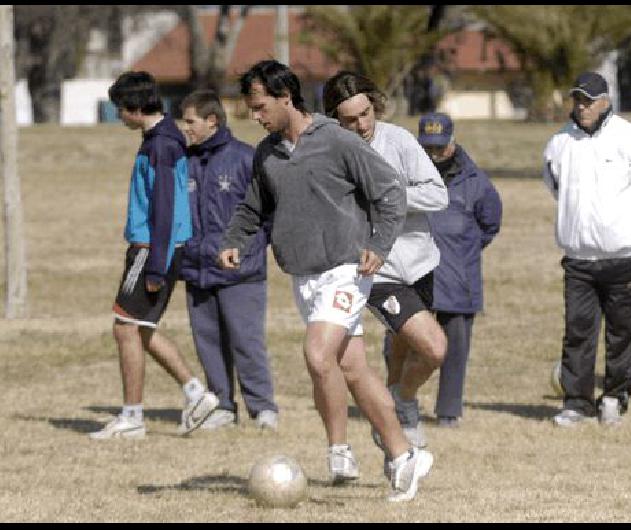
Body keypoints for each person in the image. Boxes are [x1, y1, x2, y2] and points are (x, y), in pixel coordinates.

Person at [218, 60, 433, 502]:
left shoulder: (336, 140)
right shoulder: (268, 153)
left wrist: (380, 243)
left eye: (260, 107)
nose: (256, 117)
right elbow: (253, 208)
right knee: (350, 366)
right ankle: (403, 452)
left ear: (285, 97)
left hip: (346, 268)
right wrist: (236, 239)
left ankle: (340, 449)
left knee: (318, 354)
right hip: (305, 275)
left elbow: (390, 191)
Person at [322, 71, 449, 451]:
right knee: (435, 348)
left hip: (421, 262)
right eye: (349, 119)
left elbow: (438, 195)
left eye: (365, 113)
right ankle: (405, 403)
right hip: (378, 269)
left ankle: (393, 416)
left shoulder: (399, 140)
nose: (361, 125)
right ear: (335, 119)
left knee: (404, 350)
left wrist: (391, 197)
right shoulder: (331, 153)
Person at [90, 71, 219, 440]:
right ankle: (196, 394)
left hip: (152, 252)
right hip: (154, 250)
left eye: (120, 110)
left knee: (125, 328)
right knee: (139, 329)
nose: (118, 116)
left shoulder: (161, 145)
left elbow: (164, 208)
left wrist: (156, 268)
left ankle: (132, 418)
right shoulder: (159, 139)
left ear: (135, 108)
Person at [542, 71, 631, 427]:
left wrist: (627, 224)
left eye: (589, 100)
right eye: (577, 100)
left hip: (624, 257)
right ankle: (576, 403)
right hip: (579, 260)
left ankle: (615, 397)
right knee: (578, 331)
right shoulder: (559, 144)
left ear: (606, 101)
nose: (582, 107)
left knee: (624, 332)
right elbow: (556, 187)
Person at [179, 89, 279, 431]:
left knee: (245, 341)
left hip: (241, 273)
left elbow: (267, 213)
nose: (185, 127)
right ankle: (222, 404)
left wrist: (250, 251)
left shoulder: (245, 159)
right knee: (208, 341)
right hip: (197, 269)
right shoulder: (185, 160)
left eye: (190, 121)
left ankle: (263, 407)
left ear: (212, 121)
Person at [417, 112, 503, 428]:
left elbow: (490, 223)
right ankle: (401, 400)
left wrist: (463, 250)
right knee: (400, 343)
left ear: (452, 143)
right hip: (415, 278)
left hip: (459, 280)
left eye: (439, 148)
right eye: (427, 148)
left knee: (455, 350)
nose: (434, 155)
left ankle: (449, 410)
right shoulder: (408, 173)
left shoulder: (476, 182)